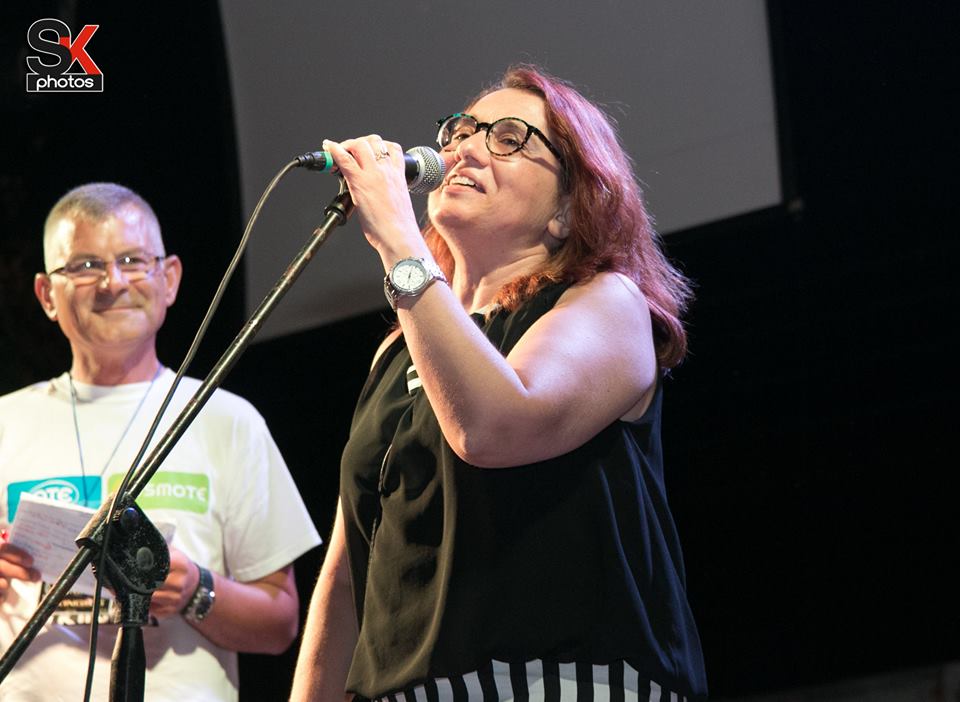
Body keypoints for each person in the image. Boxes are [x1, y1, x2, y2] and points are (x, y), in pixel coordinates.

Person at [289, 64, 708, 701]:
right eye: (460, 131)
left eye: (509, 138)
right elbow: (350, 572)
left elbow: (493, 428)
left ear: (568, 209)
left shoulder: (607, 302)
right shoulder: (398, 351)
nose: (464, 148)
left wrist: (398, 239)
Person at [0, 183, 322, 700]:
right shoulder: (7, 422)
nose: (112, 282)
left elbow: (280, 624)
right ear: (46, 294)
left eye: (132, 260)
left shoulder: (225, 418)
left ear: (169, 278)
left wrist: (196, 590)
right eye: (85, 266)